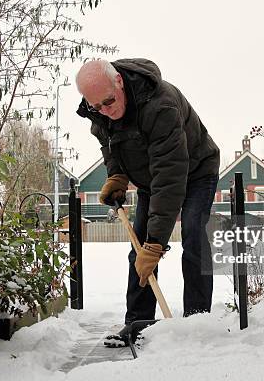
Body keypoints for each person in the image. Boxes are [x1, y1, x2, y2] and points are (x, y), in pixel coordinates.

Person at [75, 58, 220, 345]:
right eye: (97, 107)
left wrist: (156, 243)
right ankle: (137, 323)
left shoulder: (160, 105)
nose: (105, 111)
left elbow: (170, 176)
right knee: (138, 246)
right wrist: (116, 175)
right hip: (151, 179)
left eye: (108, 102)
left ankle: (197, 321)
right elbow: (111, 146)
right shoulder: (100, 110)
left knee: (192, 235)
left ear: (118, 81)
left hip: (195, 170)